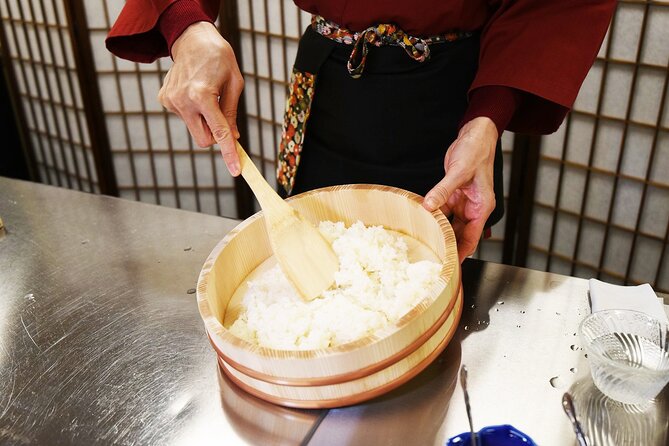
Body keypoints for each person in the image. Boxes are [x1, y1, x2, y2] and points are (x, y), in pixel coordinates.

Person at [107, 0, 616, 262]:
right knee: (313, 241)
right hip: (328, 86)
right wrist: (187, 23)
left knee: (429, 263)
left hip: (455, 103)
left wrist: (488, 119)